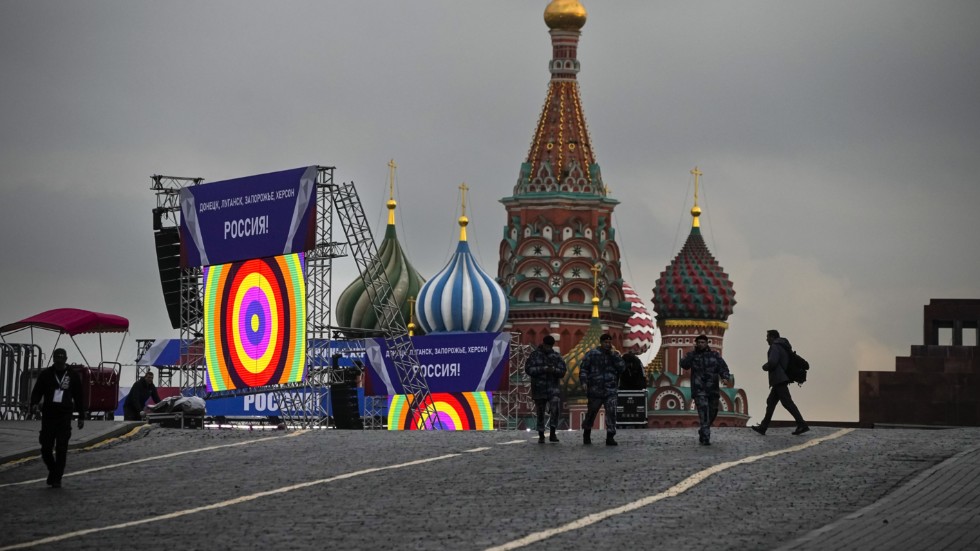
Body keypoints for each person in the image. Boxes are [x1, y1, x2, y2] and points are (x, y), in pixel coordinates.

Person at [29, 348, 85, 488]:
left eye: (62, 357)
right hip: (48, 415)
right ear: (53, 358)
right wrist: (34, 404)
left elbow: (79, 396)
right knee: (46, 447)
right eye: (57, 357)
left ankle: (57, 478)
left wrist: (81, 416)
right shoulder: (46, 375)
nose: (59, 360)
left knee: (61, 447)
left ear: (66, 359)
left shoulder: (72, 375)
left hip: (65, 415)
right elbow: (37, 391)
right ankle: (53, 470)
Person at [751, 329, 809, 436]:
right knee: (771, 402)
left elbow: (773, 362)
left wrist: (765, 366)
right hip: (781, 378)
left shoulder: (775, 346)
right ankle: (763, 427)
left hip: (779, 379)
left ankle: (802, 424)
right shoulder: (783, 346)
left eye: (767, 337)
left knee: (787, 402)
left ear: (772, 337)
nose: (766, 339)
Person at [679, 334, 732, 445]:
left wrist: (725, 378)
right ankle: (706, 436)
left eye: (703, 342)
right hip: (699, 390)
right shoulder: (692, 355)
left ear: (707, 343)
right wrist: (690, 355)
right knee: (703, 411)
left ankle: (703, 429)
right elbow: (684, 365)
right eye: (699, 342)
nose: (700, 344)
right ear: (696, 344)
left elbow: (723, 367)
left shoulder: (714, 355)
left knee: (713, 411)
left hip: (713, 389)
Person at [580, 333, 625, 446]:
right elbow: (584, 369)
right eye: (605, 342)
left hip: (610, 389)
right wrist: (584, 382)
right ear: (601, 343)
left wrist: (614, 356)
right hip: (595, 389)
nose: (607, 344)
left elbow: (622, 368)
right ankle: (587, 434)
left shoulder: (614, 355)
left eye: (609, 342)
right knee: (592, 412)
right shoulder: (592, 354)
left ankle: (610, 436)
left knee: (611, 412)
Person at [524, 335, 567, 443]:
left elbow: (562, 371)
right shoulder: (535, 355)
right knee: (540, 412)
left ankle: (553, 433)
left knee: (555, 409)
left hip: (553, 388)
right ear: (543, 343)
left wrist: (553, 370)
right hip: (539, 388)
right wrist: (543, 369)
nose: (548, 347)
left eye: (550, 346)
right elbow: (528, 369)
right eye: (547, 345)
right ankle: (541, 434)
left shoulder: (556, 356)